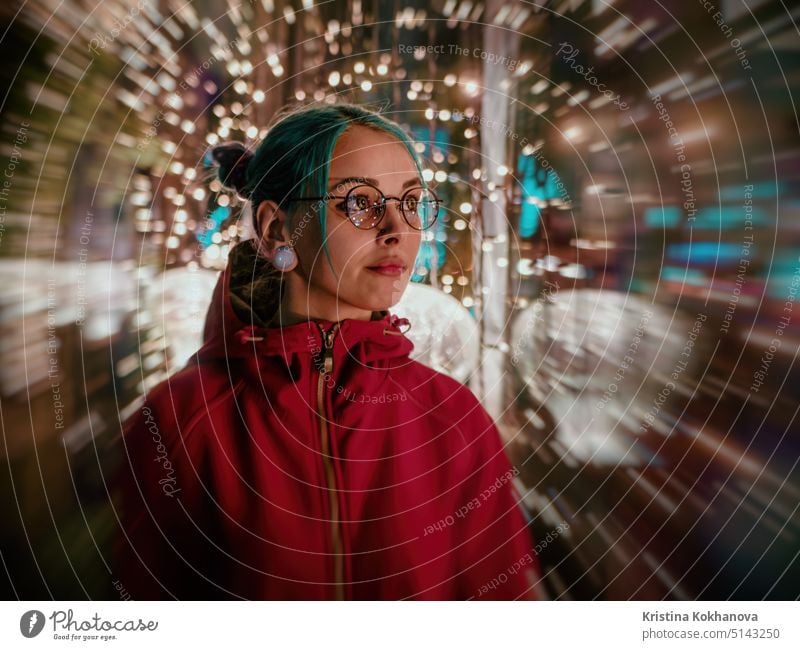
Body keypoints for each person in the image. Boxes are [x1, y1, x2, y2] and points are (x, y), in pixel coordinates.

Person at [111, 102, 544, 600]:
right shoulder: (181, 421)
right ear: (277, 227)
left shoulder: (452, 419)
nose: (397, 230)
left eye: (410, 202)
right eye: (360, 203)